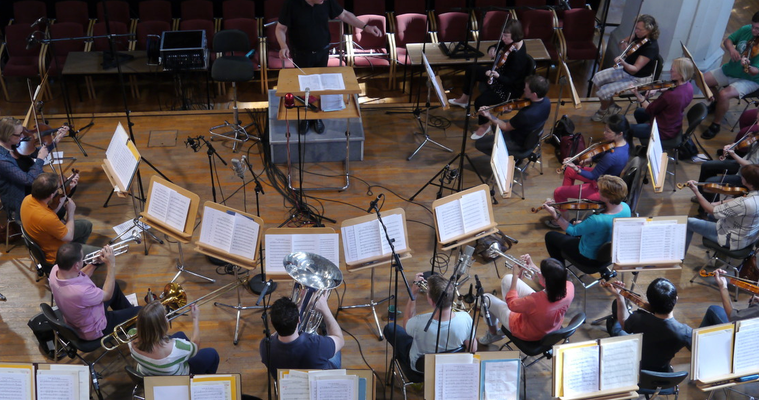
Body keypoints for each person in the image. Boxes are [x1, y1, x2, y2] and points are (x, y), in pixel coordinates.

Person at [276, 0, 382, 135]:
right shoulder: (290, 4)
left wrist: (365, 27)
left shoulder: (326, 2)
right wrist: (283, 46)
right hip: (301, 54)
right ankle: (306, 117)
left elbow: (345, 15)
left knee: (320, 87)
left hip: (322, 52)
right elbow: (280, 28)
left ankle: (318, 118)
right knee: (305, 88)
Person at [448, 19, 532, 139]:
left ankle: (484, 125)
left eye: (505, 36)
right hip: (499, 73)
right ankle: (464, 99)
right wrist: (492, 49)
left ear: (515, 35)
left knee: (480, 102)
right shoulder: (511, 42)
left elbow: (511, 81)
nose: (502, 38)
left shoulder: (519, 57)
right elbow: (498, 45)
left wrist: (496, 76)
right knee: (471, 69)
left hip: (508, 88)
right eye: (502, 34)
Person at [383, 273, 476, 374]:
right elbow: (473, 348)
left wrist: (413, 294)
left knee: (390, 328)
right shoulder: (466, 318)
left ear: (432, 302)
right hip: (450, 367)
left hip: (420, 369)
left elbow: (407, 323)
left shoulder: (419, 322)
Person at [547, 115, 630, 226]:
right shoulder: (623, 144)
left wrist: (575, 167)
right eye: (605, 129)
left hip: (601, 188)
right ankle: (565, 199)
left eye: (608, 131)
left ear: (620, 133)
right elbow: (602, 151)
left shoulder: (612, 156)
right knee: (568, 171)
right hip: (604, 177)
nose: (604, 133)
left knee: (558, 192)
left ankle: (564, 218)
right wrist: (590, 158)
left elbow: (592, 176)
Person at [49, 242, 141, 341]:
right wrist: (111, 264)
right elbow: (107, 295)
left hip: (77, 319)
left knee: (115, 287)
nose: (83, 259)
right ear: (76, 266)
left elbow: (79, 276)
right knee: (141, 311)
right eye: (81, 258)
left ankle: (129, 324)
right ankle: (131, 324)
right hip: (95, 329)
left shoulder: (55, 271)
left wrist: (94, 263)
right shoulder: (81, 292)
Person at [479, 255, 574, 345]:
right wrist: (532, 266)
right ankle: (502, 315)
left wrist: (515, 276)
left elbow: (512, 304)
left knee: (485, 298)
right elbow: (551, 283)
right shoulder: (569, 286)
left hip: (528, 332)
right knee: (508, 279)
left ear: (546, 280)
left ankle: (493, 334)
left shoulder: (535, 300)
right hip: (551, 326)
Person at [603, 278, 692, 372]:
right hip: (660, 372)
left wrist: (619, 297)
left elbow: (624, 322)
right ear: (676, 299)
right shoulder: (685, 332)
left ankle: (613, 324)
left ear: (649, 301)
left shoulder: (638, 319)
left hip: (635, 365)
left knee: (618, 329)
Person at [543, 175, 631, 271]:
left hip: (588, 258)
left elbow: (573, 231)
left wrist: (555, 214)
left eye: (599, 190)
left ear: (607, 197)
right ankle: (567, 250)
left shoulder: (597, 220)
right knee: (573, 222)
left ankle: (559, 270)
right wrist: (586, 224)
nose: (598, 191)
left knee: (550, 236)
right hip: (608, 255)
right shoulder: (626, 207)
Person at [591, 14, 660, 122]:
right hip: (626, 71)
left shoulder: (651, 47)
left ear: (649, 30)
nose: (636, 31)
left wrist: (622, 62)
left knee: (604, 91)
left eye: (639, 29)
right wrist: (623, 44)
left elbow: (635, 69)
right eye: (636, 27)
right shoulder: (639, 36)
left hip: (637, 79)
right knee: (597, 78)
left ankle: (603, 110)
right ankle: (613, 107)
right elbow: (622, 41)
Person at [702, 11, 759, 139]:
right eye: (753, 27)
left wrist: (748, 66)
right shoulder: (746, 29)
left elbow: (755, 71)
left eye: (758, 29)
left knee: (724, 94)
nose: (754, 31)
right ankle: (718, 102)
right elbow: (728, 40)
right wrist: (732, 49)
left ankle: (716, 124)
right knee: (702, 79)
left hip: (750, 79)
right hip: (730, 70)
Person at [0, 117, 69, 219]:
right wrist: (40, 158)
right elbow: (28, 180)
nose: (22, 136)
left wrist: (56, 140)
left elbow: (34, 151)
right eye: (19, 134)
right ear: (8, 135)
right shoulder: (2, 160)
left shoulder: (13, 144)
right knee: (60, 210)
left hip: (34, 188)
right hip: (21, 199)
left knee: (67, 187)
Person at [20, 172, 95, 264]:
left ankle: (77, 255)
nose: (60, 189)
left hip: (45, 238)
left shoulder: (28, 199)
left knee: (86, 225)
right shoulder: (47, 218)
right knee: (98, 254)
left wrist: (67, 189)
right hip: (56, 255)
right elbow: (69, 237)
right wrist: (70, 212)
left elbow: (51, 212)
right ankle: (74, 261)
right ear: (51, 195)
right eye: (58, 188)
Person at [259, 296, 344, 376]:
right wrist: (325, 310)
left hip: (289, 384)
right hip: (320, 381)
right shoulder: (317, 344)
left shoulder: (265, 346)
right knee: (334, 344)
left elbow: (277, 334)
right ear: (299, 320)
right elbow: (339, 339)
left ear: (271, 322)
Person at [129, 301, 220, 375]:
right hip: (176, 378)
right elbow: (195, 346)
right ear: (161, 326)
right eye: (165, 317)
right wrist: (195, 318)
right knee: (213, 354)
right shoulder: (175, 347)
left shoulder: (130, 335)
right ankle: (205, 380)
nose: (167, 318)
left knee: (180, 334)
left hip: (146, 372)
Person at [684, 164, 759, 253]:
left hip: (733, 240)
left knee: (688, 222)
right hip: (749, 236)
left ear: (749, 183)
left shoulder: (744, 203)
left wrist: (696, 191)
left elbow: (712, 211)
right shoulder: (753, 197)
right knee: (710, 215)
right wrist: (719, 203)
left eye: (743, 177)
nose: (741, 178)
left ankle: (679, 258)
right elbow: (741, 199)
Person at [474, 75, 552, 158]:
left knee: (479, 144)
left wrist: (489, 115)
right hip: (530, 136)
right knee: (494, 125)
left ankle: (503, 158)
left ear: (534, 94)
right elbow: (530, 108)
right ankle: (501, 147)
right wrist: (513, 107)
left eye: (526, 88)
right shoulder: (546, 101)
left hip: (517, 142)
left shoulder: (525, 115)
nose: (524, 89)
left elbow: (505, 127)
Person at [627, 57, 695, 147]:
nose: (670, 71)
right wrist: (657, 89)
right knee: (639, 112)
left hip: (662, 130)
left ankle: (638, 145)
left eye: (673, 70)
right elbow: (672, 86)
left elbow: (649, 109)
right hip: (674, 124)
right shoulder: (689, 86)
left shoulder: (670, 96)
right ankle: (645, 137)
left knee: (627, 129)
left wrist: (637, 94)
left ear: (681, 74)